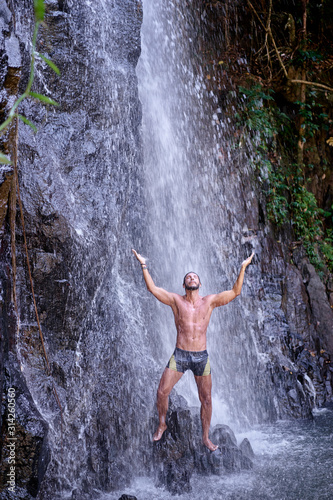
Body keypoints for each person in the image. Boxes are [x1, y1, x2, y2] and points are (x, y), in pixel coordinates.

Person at [132, 248, 254, 451]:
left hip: (201, 358)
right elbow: (152, 289)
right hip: (180, 354)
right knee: (162, 392)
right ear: (184, 285)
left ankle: (205, 437)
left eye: (195, 276)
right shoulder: (175, 301)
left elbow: (235, 292)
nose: (192, 277)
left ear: (199, 284)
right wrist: (143, 264)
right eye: (188, 277)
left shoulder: (210, 301)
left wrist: (243, 267)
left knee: (206, 399)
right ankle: (162, 423)